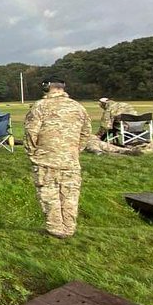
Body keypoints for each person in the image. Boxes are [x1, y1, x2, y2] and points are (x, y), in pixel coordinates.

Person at [24, 80, 91, 239]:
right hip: (70, 161)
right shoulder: (78, 107)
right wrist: (73, 151)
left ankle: (55, 230)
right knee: (70, 196)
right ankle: (69, 229)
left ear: (47, 88)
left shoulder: (40, 106)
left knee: (49, 195)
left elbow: (31, 133)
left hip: (46, 160)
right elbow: (86, 133)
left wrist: (33, 153)